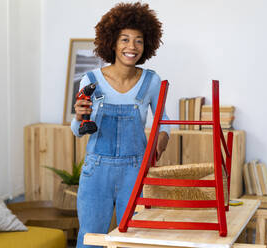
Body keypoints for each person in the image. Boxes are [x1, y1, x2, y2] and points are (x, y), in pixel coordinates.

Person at [71, 2, 170, 247]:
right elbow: (77, 131)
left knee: (136, 240)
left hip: (135, 170)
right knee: (91, 238)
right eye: (124, 39)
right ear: (112, 43)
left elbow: (163, 122)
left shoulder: (151, 81)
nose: (131, 47)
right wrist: (78, 117)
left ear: (146, 45)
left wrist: (160, 142)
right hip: (96, 170)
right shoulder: (91, 80)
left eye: (138, 40)